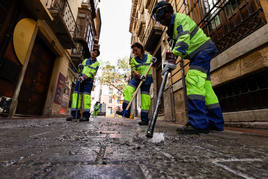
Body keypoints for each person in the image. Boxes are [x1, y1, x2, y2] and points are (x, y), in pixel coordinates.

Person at [152, 1, 224, 133]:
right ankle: (216, 122)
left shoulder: (180, 19)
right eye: (158, 19)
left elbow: (183, 42)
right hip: (198, 55)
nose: (160, 21)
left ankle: (198, 124)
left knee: (193, 79)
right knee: (205, 87)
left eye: (160, 16)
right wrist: (168, 64)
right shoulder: (171, 31)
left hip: (203, 51)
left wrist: (170, 62)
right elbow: (174, 48)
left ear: (168, 12)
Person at [116, 42, 154, 125]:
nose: (135, 52)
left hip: (147, 80)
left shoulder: (149, 57)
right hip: (137, 78)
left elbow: (154, 61)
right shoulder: (133, 60)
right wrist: (139, 75)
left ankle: (144, 119)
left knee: (145, 99)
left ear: (140, 48)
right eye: (133, 51)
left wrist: (154, 60)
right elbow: (134, 70)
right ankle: (126, 112)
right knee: (128, 89)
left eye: (136, 50)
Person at [67, 49, 100, 121]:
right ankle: (75, 115)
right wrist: (80, 68)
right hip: (80, 79)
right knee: (76, 95)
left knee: (86, 97)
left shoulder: (97, 63)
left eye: (95, 52)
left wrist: (84, 77)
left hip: (88, 81)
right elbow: (81, 70)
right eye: (93, 51)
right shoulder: (85, 60)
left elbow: (93, 72)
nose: (93, 53)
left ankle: (85, 116)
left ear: (97, 55)